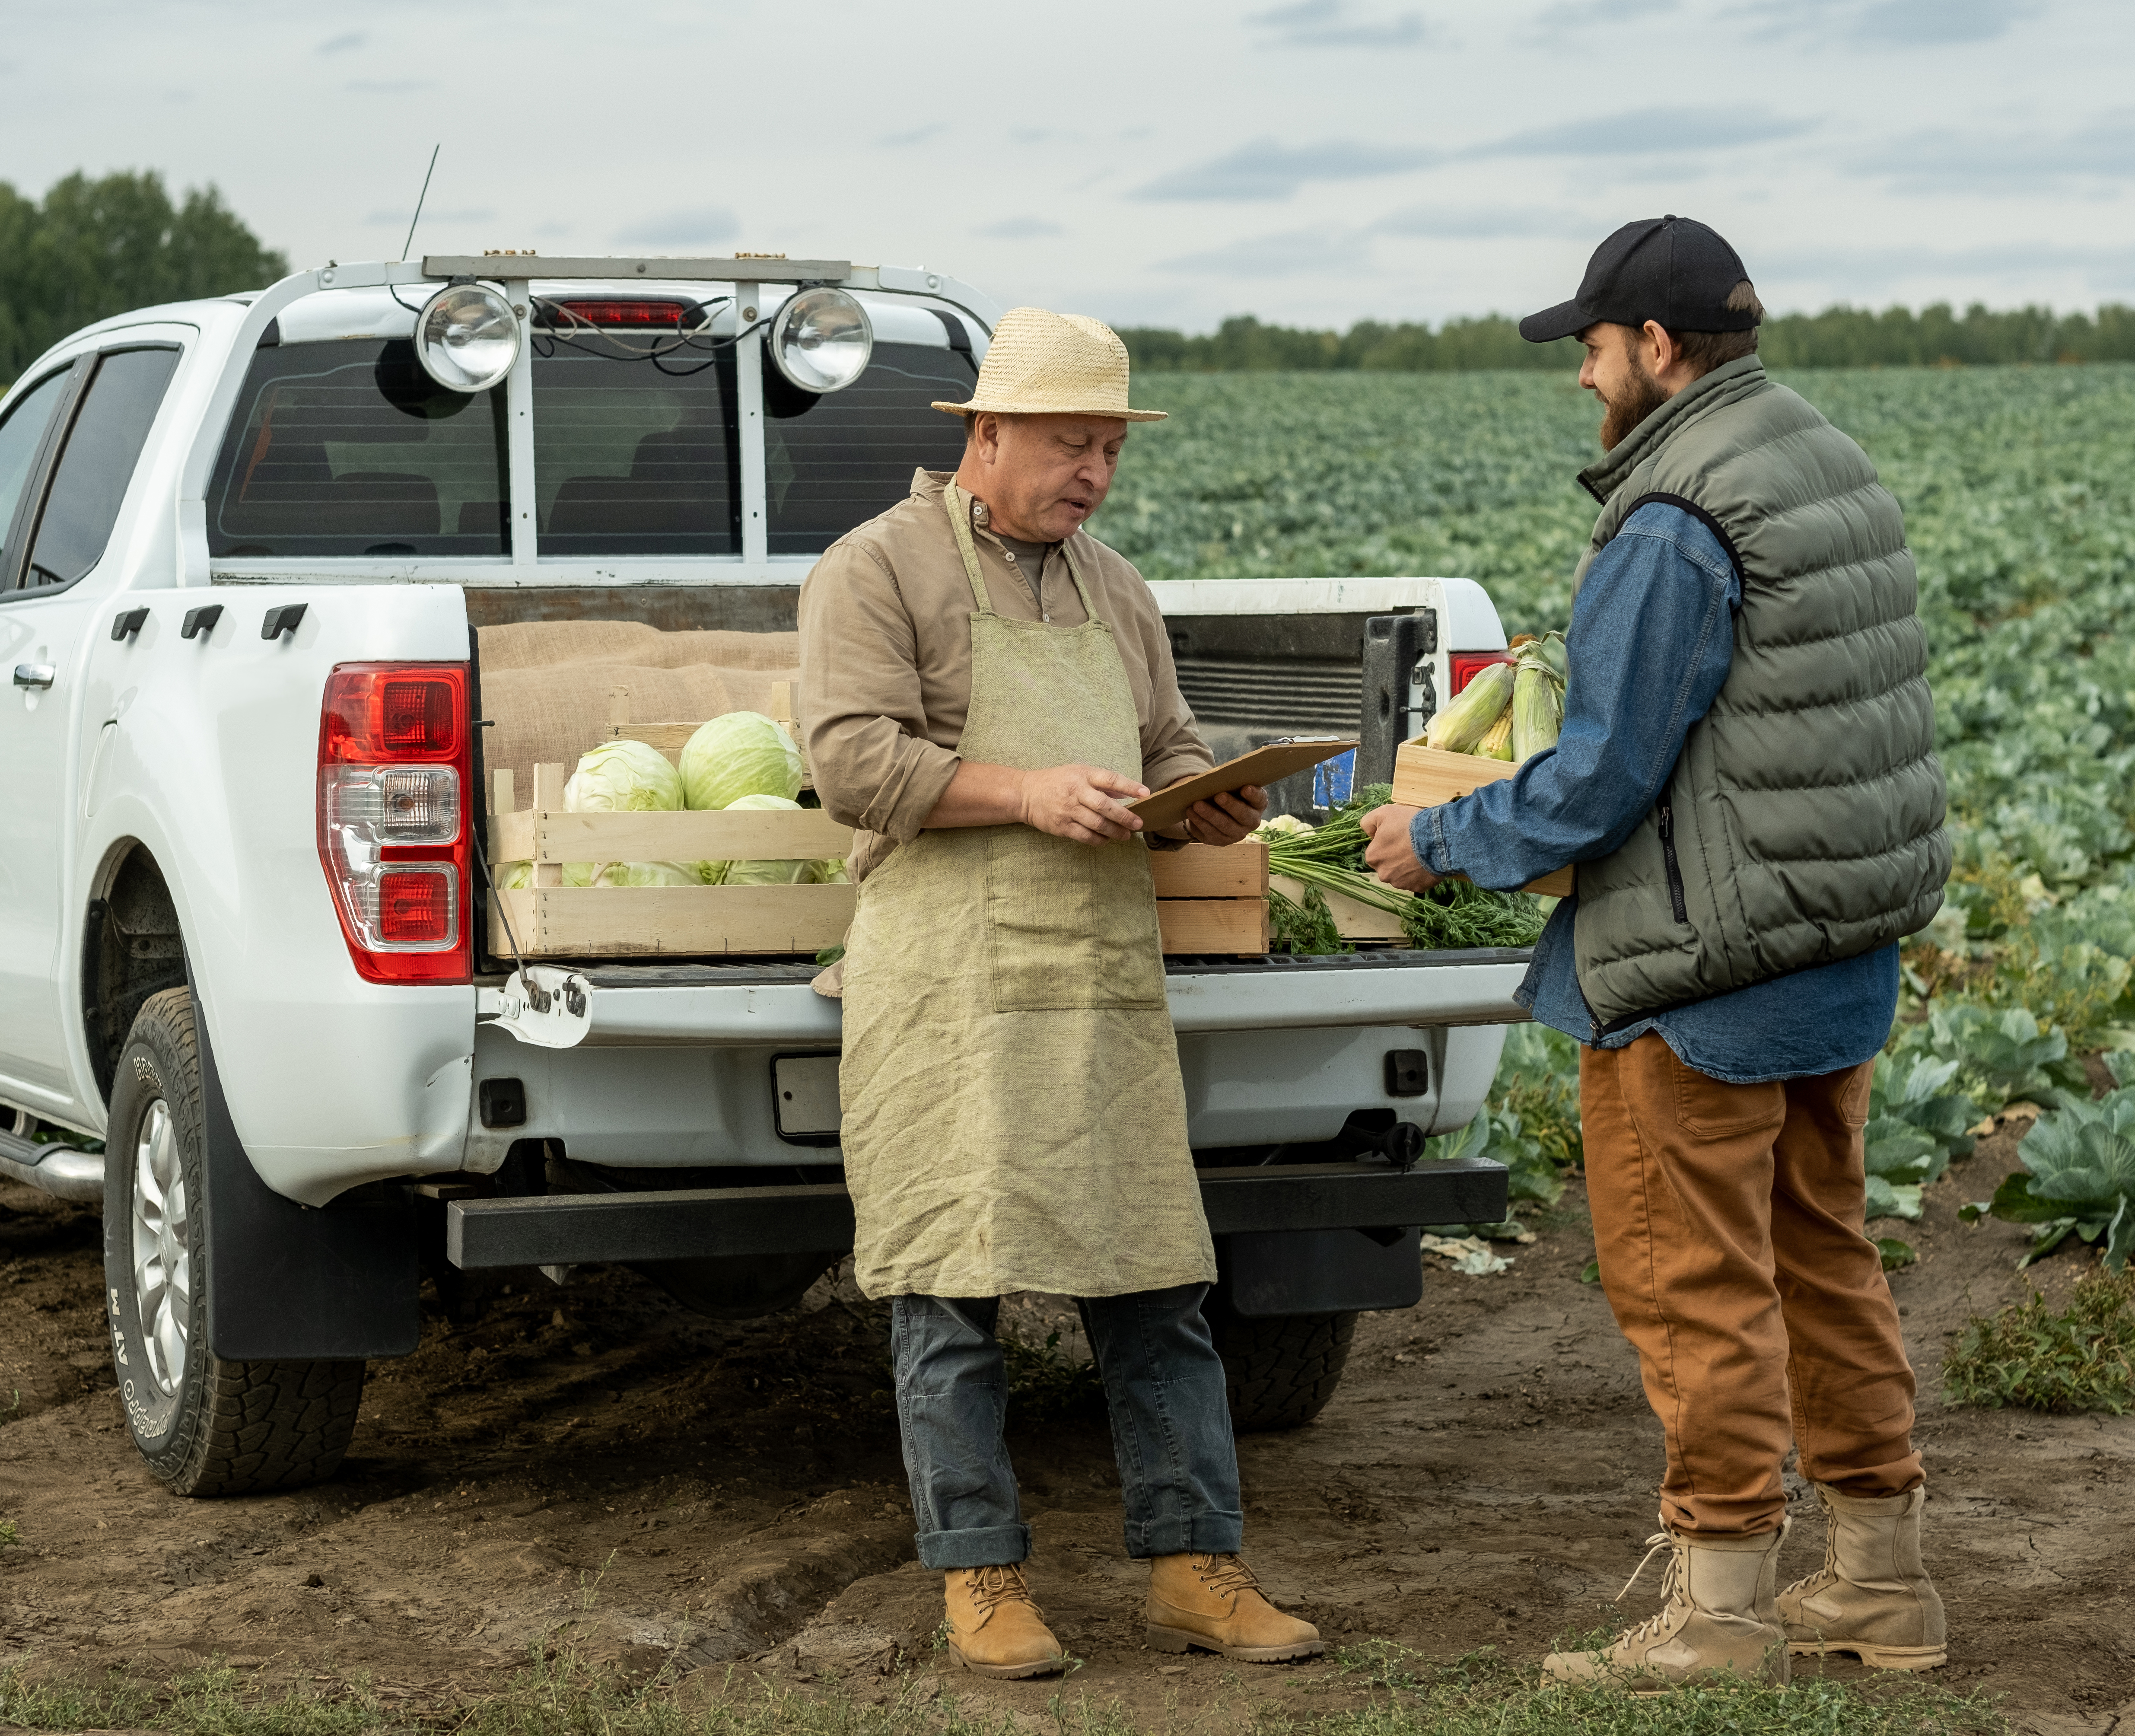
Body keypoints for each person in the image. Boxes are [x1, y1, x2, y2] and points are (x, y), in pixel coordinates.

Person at [1359, 217, 1953, 1692]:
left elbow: (1606, 770)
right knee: (1822, 1257)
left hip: (1697, 971)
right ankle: (1882, 1586)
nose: (1580, 374)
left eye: (1592, 343)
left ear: (1659, 349)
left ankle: (1719, 1613)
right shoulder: (1822, 457)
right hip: (1831, 950)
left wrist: (1434, 841)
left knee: (1693, 1284)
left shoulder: (1675, 517)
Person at [798, 308, 1325, 1680]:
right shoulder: (874, 568)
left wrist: (1204, 805)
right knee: (948, 1287)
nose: (1091, 470)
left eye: (1106, 447)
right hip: (950, 988)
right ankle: (981, 1578)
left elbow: (1168, 742)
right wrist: (1026, 792)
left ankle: (1195, 1565)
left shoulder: (1116, 587)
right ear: (983, 435)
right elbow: (853, 761)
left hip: (1096, 985)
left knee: (1156, 1276)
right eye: (1065, 443)